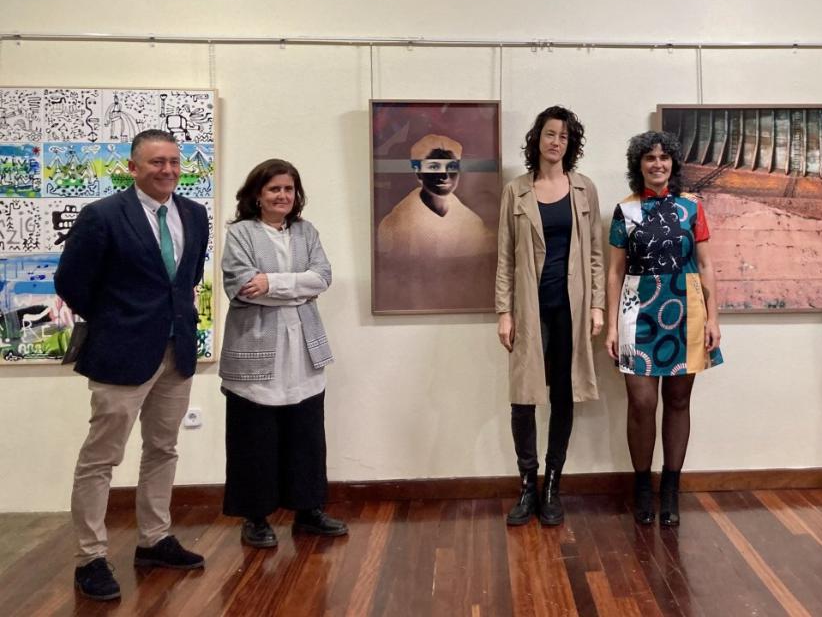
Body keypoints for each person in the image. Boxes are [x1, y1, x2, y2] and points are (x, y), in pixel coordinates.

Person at [55, 129, 210, 601]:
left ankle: (155, 539)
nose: (167, 170)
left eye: (173, 162)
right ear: (133, 167)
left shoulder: (194, 214)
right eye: (156, 162)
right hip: (120, 353)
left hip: (176, 350)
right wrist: (118, 321)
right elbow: (71, 281)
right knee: (102, 457)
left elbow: (188, 278)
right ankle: (90, 557)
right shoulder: (102, 216)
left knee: (163, 449)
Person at [219, 159, 347, 548]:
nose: (282, 196)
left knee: (306, 433)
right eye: (274, 189)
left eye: (289, 189)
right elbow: (242, 286)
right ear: (257, 194)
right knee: (253, 437)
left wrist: (271, 282)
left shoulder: (306, 232)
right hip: (255, 347)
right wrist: (297, 287)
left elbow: (322, 277)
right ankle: (255, 517)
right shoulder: (240, 234)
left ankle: (308, 510)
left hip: (303, 347)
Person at [495, 107, 605, 527]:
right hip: (528, 307)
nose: (555, 141)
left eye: (563, 135)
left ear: (569, 143)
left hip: (570, 309)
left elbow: (595, 253)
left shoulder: (583, 190)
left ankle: (553, 484)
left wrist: (596, 305)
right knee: (523, 397)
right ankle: (527, 484)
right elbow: (505, 257)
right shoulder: (516, 192)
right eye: (548, 134)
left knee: (563, 393)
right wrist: (505, 312)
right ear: (537, 139)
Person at [605, 131, 722, 527]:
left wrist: (714, 318)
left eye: (664, 157)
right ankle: (642, 484)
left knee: (677, 401)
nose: (658, 164)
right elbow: (614, 271)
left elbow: (706, 265)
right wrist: (609, 326)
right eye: (649, 158)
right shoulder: (626, 211)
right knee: (641, 403)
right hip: (637, 309)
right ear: (638, 165)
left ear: (673, 163)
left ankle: (670, 487)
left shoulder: (692, 207)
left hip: (686, 308)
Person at [376, 133, 496, 310]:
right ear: (418, 172)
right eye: (433, 167)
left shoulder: (473, 224)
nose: (444, 176)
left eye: (451, 167)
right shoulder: (394, 224)